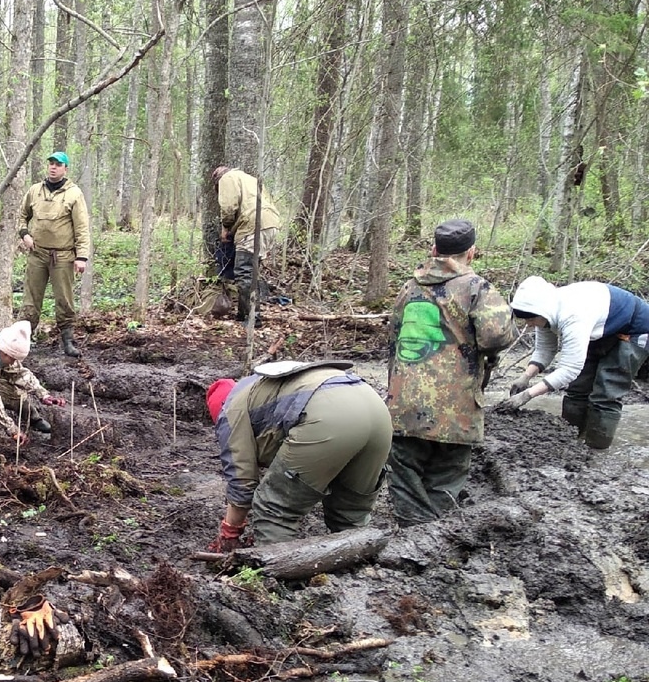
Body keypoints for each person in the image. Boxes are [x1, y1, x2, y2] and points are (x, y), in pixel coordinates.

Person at [385, 219, 515, 527]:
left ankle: (412, 532)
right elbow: (496, 337)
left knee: (403, 471)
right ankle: (432, 534)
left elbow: (393, 336)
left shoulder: (408, 287)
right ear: (471, 253)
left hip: (404, 402)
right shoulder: (476, 289)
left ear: (433, 250)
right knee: (447, 473)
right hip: (454, 406)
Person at [206, 361, 392, 551]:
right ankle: (360, 570)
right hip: (377, 410)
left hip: (328, 414)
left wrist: (230, 530)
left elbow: (242, 481)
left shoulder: (229, 410)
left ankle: (275, 577)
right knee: (350, 512)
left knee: (274, 508)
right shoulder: (262, 388)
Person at [498, 275, 649, 449]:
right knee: (577, 388)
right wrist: (525, 376)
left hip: (635, 329)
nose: (529, 325)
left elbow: (570, 368)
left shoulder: (571, 315)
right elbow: (545, 350)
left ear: (542, 312)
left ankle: (596, 451)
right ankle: (570, 442)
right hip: (600, 328)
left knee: (606, 391)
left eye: (531, 320)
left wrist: (527, 395)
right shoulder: (546, 313)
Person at [17, 151, 92, 357]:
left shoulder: (74, 194)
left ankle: (67, 342)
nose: (53, 167)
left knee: (64, 300)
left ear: (65, 168)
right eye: (50, 163)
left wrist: (81, 257)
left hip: (64, 256)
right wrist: (24, 234)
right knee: (31, 300)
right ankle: (24, 340)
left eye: (58, 164)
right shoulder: (34, 191)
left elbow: (82, 228)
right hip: (37, 254)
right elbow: (22, 216)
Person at [213, 166, 282, 324]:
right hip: (271, 223)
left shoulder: (227, 178)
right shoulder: (250, 179)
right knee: (251, 271)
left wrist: (226, 227)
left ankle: (253, 317)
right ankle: (243, 313)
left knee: (243, 272)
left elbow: (229, 207)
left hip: (252, 225)